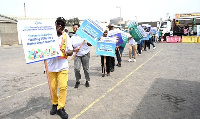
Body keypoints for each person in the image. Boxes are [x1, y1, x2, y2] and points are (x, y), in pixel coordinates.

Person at [47, 17, 73, 119]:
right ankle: (54, 104)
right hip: (51, 66)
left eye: (62, 24)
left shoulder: (66, 36)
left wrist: (66, 52)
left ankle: (60, 107)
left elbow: (71, 51)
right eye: (59, 23)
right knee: (52, 87)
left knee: (63, 87)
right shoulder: (49, 35)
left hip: (62, 66)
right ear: (55, 24)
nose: (60, 26)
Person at [71, 24, 92, 88]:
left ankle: (87, 80)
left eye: (76, 28)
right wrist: (74, 50)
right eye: (74, 28)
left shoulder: (84, 36)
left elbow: (90, 44)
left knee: (86, 69)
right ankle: (78, 80)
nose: (75, 29)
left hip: (85, 53)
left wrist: (91, 40)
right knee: (76, 69)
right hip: (77, 55)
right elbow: (70, 47)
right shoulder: (72, 38)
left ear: (79, 28)